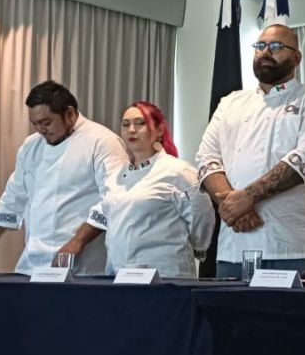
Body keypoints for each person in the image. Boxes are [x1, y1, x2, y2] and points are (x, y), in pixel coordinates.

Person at [196, 24, 305, 278]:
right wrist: (233, 206)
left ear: (297, 58)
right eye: (260, 46)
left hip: (295, 247)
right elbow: (207, 159)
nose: (266, 52)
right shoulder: (230, 102)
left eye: (276, 46)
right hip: (235, 244)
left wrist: (247, 197)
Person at [0, 81, 127, 275]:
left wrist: (77, 242)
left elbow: (113, 200)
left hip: (83, 267)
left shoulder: (103, 142)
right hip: (32, 266)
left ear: (69, 113)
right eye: (35, 124)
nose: (40, 130)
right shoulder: (30, 146)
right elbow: (12, 199)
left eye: (46, 122)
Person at [76, 101, 215, 278]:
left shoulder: (178, 171)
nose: (131, 130)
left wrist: (199, 247)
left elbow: (201, 215)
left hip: (166, 275)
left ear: (159, 130)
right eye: (126, 124)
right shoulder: (115, 176)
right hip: (119, 275)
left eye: (140, 123)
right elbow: (109, 218)